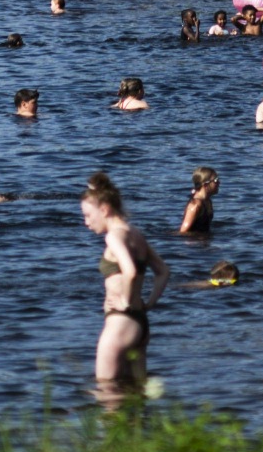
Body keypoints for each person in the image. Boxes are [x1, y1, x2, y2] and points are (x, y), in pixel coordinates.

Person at [84, 172, 169, 391]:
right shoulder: (136, 234)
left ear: (104, 209)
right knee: (137, 396)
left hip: (119, 324)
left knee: (107, 395)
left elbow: (130, 271)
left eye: (88, 215)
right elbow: (163, 271)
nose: (86, 223)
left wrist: (125, 302)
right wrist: (148, 303)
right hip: (140, 323)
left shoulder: (114, 236)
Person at [180, 165, 220, 235]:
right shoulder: (195, 205)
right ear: (205, 184)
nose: (219, 183)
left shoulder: (208, 201)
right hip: (194, 243)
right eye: (216, 180)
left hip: (204, 241)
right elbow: (183, 232)